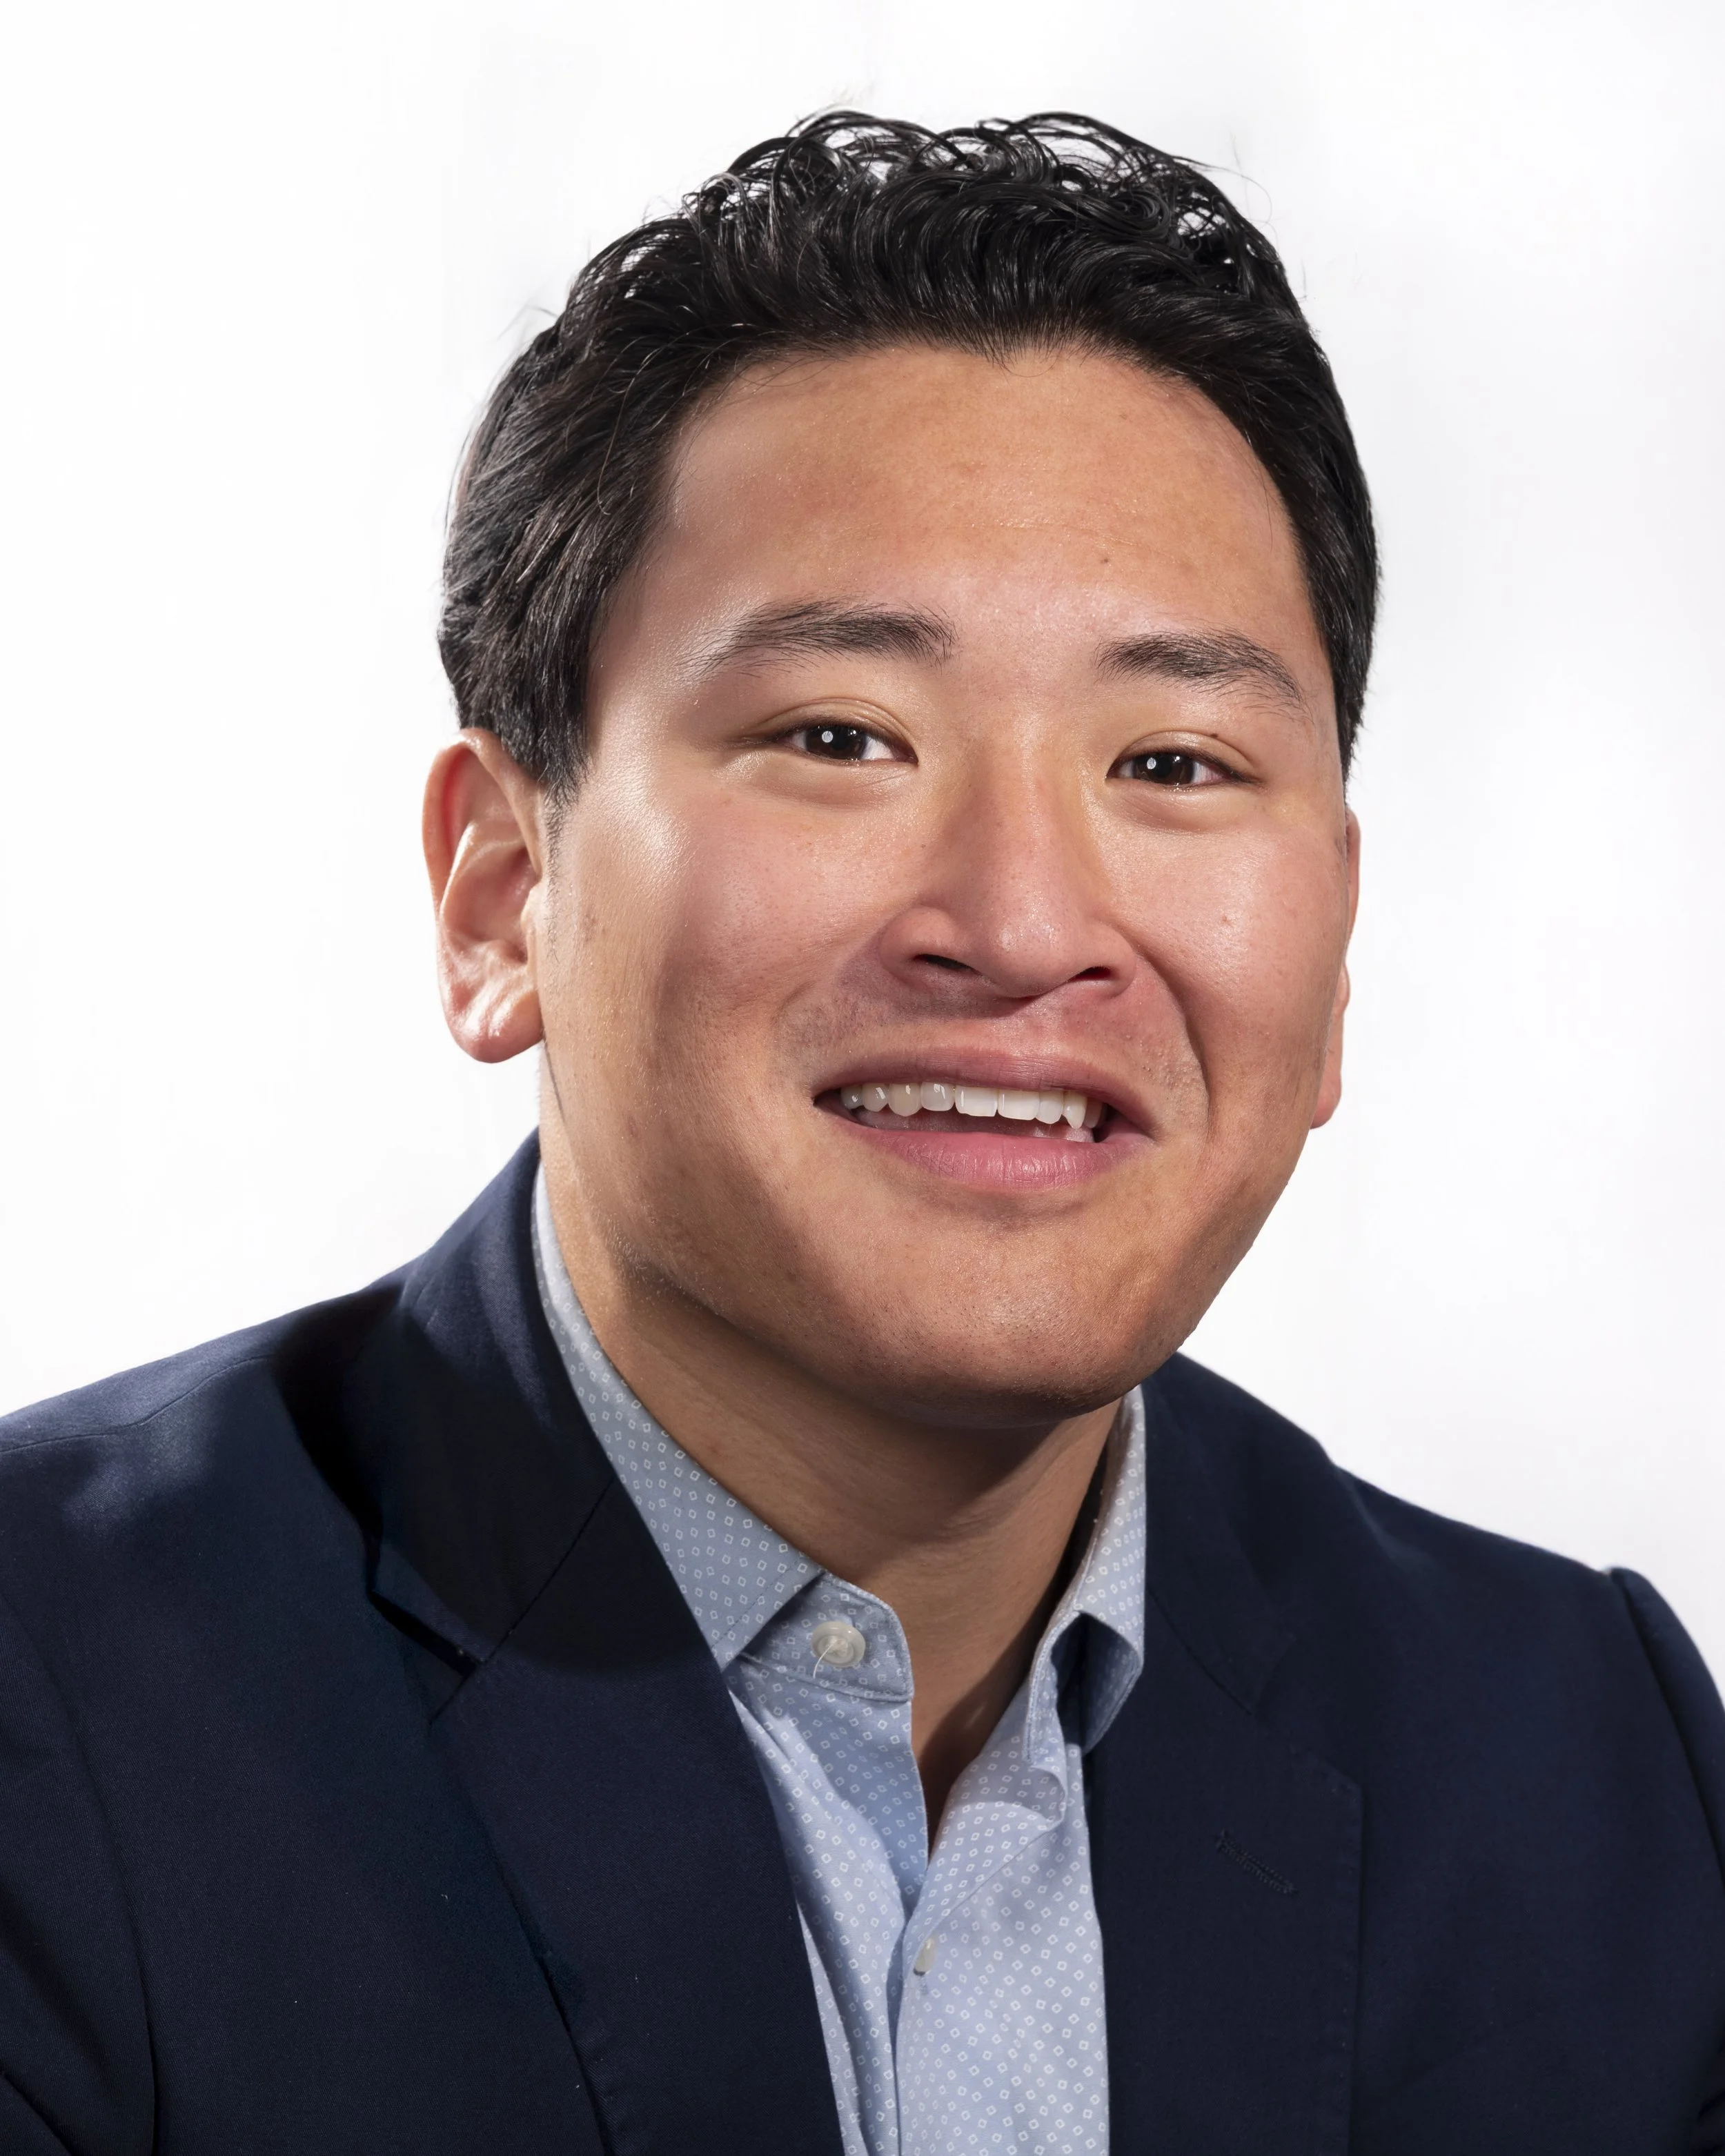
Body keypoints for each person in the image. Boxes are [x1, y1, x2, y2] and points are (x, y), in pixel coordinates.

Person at [1, 112, 1720, 2156]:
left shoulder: (1578, 1752)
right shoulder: (52, 1711)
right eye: (840, 738)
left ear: (1333, 956)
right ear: (498, 893)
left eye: (1170, 759)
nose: (1017, 922)